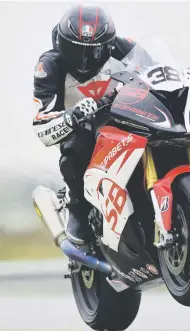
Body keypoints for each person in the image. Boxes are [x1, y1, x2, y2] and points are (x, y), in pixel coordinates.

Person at [32, 4, 138, 246]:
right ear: (61, 42)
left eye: (94, 51)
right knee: (74, 148)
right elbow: (41, 123)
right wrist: (71, 116)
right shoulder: (48, 66)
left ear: (109, 44)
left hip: (127, 119)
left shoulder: (125, 47)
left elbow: (159, 71)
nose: (84, 60)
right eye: (74, 49)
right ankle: (78, 208)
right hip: (83, 130)